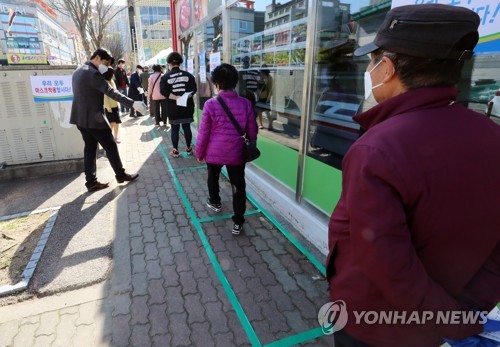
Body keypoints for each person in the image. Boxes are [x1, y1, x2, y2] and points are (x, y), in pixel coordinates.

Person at [326, 4, 500, 347]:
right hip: (440, 322)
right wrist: (462, 314)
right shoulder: (492, 135)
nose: (369, 71)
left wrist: (449, 319)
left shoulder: (377, 148)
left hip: (373, 325)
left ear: (387, 68)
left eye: (371, 61)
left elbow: (387, 264)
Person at [70, 48, 146, 192]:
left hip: (79, 118)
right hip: (94, 119)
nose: (106, 66)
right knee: (110, 146)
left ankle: (91, 182)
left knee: (90, 149)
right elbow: (111, 92)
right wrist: (133, 103)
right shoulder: (92, 73)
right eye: (105, 63)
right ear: (97, 58)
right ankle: (121, 175)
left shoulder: (79, 70)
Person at [195, 63, 257, 235]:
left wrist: (199, 153)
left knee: (212, 177)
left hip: (214, 153)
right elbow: (252, 130)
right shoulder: (245, 104)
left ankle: (215, 202)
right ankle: (238, 221)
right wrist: (251, 145)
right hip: (236, 153)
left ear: (217, 84)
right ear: (234, 82)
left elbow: (204, 132)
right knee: (239, 186)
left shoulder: (210, 104)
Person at [160, 52, 197, 157]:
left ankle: (175, 150)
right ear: (180, 63)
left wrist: (175, 97)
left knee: (175, 129)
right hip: (187, 106)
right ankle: (189, 149)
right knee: (187, 128)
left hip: (173, 107)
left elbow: (163, 91)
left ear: (169, 63)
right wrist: (185, 97)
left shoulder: (165, 77)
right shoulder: (189, 75)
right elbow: (194, 89)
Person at [102, 67, 121, 143]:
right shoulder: (104, 82)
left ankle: (115, 138)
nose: (113, 75)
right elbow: (105, 97)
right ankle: (109, 139)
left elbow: (115, 92)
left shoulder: (112, 81)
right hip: (109, 107)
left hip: (115, 105)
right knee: (111, 123)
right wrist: (108, 107)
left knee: (117, 123)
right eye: (112, 74)